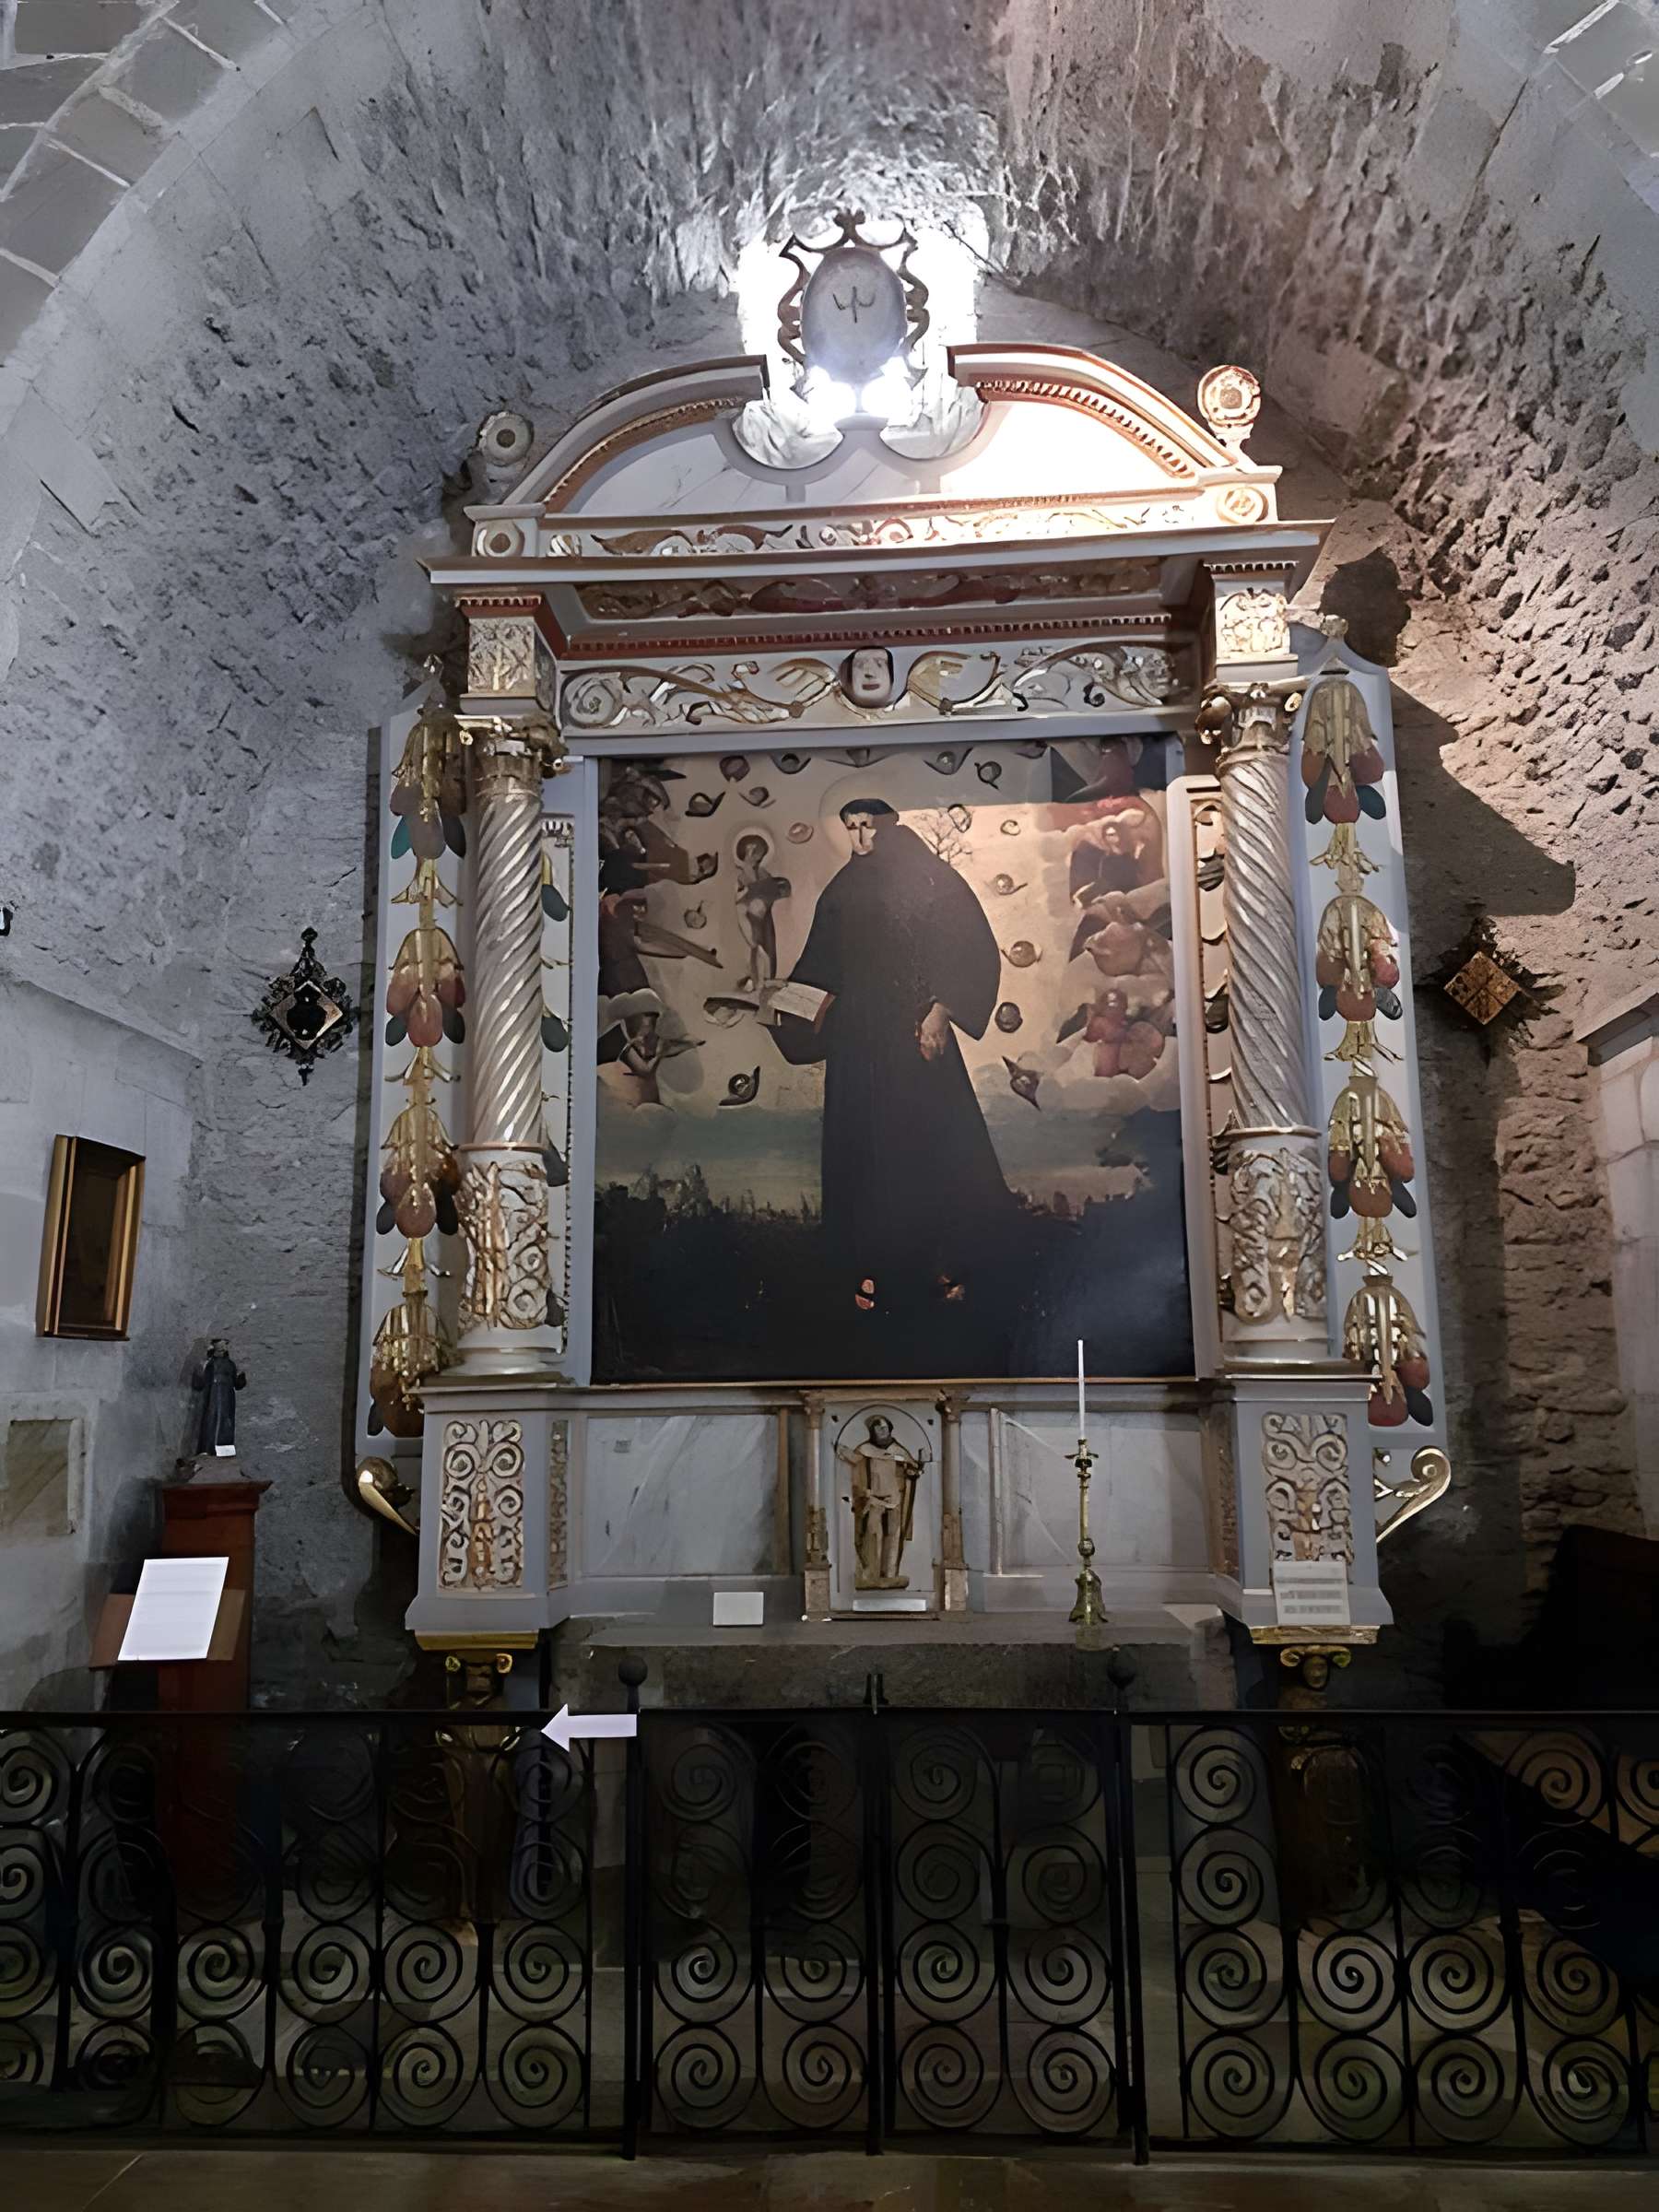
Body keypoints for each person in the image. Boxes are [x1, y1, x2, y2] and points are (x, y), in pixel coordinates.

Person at [769, 798, 1009, 1312]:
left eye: (868, 827)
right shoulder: (844, 887)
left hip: (913, 1031)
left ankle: (948, 1263)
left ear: (891, 825)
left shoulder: (930, 877)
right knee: (862, 1150)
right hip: (857, 1038)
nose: (859, 838)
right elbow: (819, 964)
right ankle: (869, 1268)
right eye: (851, 828)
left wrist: (942, 1010)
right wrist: (783, 1007)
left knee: (928, 1144)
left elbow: (970, 945)